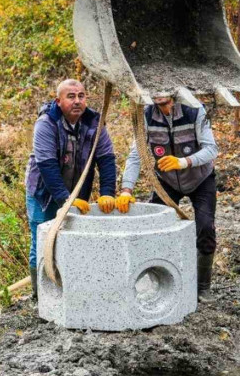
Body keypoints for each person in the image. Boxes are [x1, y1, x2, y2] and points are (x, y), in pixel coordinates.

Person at [116, 95, 218, 301]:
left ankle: (203, 287)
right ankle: (154, 279)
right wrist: (126, 189)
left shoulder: (194, 110)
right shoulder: (146, 114)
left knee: (206, 227)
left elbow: (211, 149)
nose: (159, 93)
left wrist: (184, 162)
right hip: (167, 181)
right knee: (152, 227)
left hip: (200, 178)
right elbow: (137, 155)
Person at [24, 79, 117, 301]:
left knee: (73, 240)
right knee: (43, 240)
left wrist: (106, 192)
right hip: (44, 193)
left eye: (81, 96)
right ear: (59, 100)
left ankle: (72, 292)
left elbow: (106, 159)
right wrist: (65, 199)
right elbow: (47, 165)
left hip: (77, 192)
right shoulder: (46, 123)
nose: (77, 101)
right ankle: (41, 297)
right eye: (71, 96)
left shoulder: (95, 122)